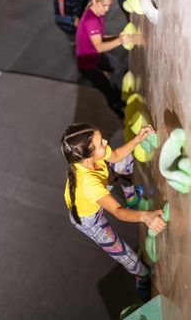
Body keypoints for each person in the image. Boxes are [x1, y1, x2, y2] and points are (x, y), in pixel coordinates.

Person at [60, 122, 166, 300]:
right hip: (89, 221)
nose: (106, 142)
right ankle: (141, 276)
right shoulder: (89, 184)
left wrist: (138, 139)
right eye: (101, 143)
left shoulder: (91, 157)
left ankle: (131, 196)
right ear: (88, 157)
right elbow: (117, 211)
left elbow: (116, 156)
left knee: (126, 160)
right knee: (125, 255)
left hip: (98, 188)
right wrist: (144, 216)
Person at [75, 0, 142, 118]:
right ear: (95, 1)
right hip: (88, 64)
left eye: (109, 6)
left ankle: (118, 95)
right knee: (109, 91)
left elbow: (101, 38)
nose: (107, 9)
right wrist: (120, 41)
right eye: (104, 5)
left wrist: (119, 36)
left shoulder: (95, 13)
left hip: (93, 55)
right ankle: (119, 111)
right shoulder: (92, 20)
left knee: (120, 68)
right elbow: (99, 46)